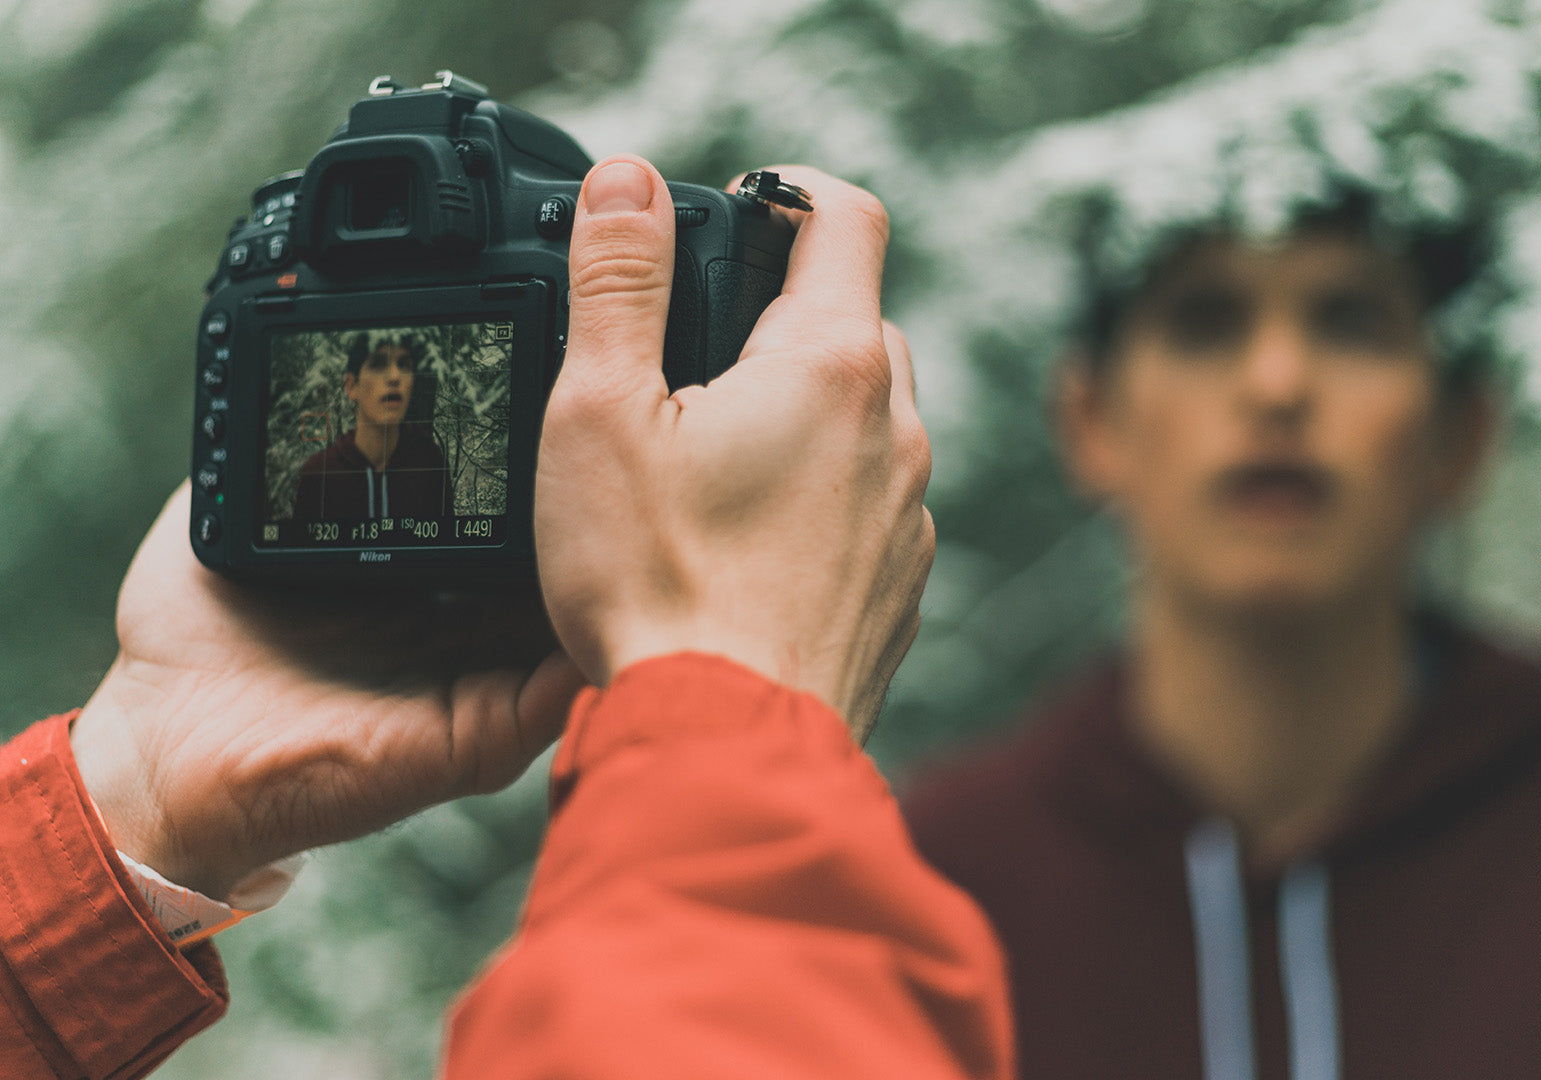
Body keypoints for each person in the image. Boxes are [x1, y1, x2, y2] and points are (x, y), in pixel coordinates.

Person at [0, 158, 1012, 1079]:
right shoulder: (326, 474)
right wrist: (740, 694)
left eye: (410, 370)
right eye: (376, 370)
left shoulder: (445, 461)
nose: (394, 380)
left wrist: (137, 789)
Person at [901, 200, 1541, 1078]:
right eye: (1204, 323)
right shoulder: (938, 889)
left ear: (1463, 432)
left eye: (1353, 323)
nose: (1277, 383)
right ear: (1090, 419)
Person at [290, 333, 454, 522]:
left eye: (404, 365)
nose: (394, 377)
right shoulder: (319, 473)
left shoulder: (429, 461)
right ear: (352, 386)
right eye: (378, 364)